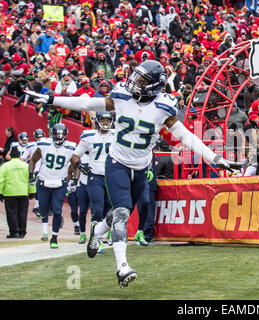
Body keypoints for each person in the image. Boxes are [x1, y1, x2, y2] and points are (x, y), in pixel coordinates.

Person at [25, 60, 241, 288]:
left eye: (142, 80)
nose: (135, 82)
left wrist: (215, 158)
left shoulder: (164, 106)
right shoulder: (121, 96)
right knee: (120, 213)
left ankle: (97, 232)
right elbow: (88, 103)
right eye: (136, 76)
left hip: (142, 167)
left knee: (121, 213)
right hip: (117, 162)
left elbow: (186, 136)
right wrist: (52, 99)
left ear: (154, 85)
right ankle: (122, 267)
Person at [70, 112, 115, 249]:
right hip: (95, 176)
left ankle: (103, 236)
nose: (106, 123)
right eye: (104, 120)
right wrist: (79, 165)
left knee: (109, 209)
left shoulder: (116, 135)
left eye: (108, 120)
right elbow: (75, 156)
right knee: (98, 209)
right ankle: (96, 240)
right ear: (98, 121)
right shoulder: (88, 136)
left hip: (111, 176)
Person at [28, 123, 77, 249]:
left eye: (61, 135)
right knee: (43, 211)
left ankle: (54, 237)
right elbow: (33, 160)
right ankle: (48, 225)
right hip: (44, 182)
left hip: (60, 183)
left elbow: (77, 165)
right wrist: (31, 175)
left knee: (57, 210)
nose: (59, 137)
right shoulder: (43, 144)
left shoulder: (70, 148)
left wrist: (75, 181)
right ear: (52, 134)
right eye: (56, 134)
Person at [0, 146, 36, 238]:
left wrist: (0, 193)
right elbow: (31, 179)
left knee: (11, 213)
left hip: (10, 193)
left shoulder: (5, 166)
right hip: (23, 192)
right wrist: (32, 192)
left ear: (11, 156)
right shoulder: (26, 166)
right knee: (23, 212)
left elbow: (1, 181)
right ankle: (22, 231)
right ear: (19, 155)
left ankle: (13, 232)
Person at [21, 128, 45, 217]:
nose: (40, 139)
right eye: (38, 137)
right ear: (35, 137)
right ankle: (37, 206)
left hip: (44, 169)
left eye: (41, 137)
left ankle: (38, 206)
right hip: (34, 170)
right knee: (37, 189)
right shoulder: (31, 146)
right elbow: (23, 158)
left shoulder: (47, 145)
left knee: (42, 189)